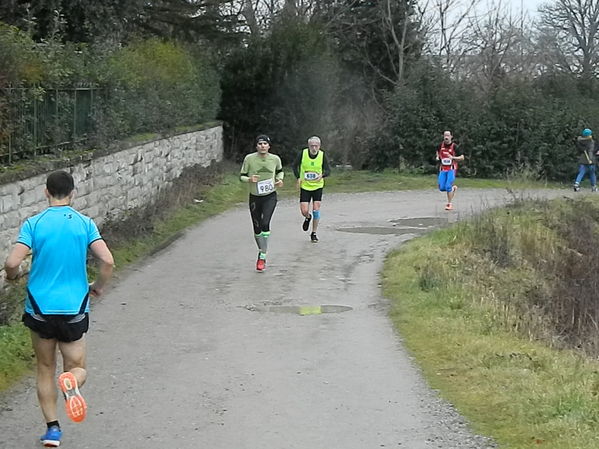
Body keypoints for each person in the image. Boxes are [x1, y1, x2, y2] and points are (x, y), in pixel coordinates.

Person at [4, 170, 114, 448]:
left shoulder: (34, 224)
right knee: (77, 367)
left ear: (45, 192)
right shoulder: (84, 223)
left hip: (40, 307)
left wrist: (13, 277)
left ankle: (52, 430)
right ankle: (71, 382)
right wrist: (99, 285)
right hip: (74, 306)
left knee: (44, 367)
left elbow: (12, 263)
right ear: (73, 193)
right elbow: (108, 261)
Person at [240, 135, 284, 271]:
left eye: (265, 143)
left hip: (270, 196)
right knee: (257, 227)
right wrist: (249, 179)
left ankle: (262, 256)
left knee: (265, 223)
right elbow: (242, 176)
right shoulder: (249, 159)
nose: (263, 146)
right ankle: (261, 249)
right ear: (256, 146)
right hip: (255, 197)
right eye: (260, 144)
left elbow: (280, 172)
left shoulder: (275, 159)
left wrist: (280, 180)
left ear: (269, 146)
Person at [291, 136, 331, 243]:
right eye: (312, 146)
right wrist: (298, 177)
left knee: (316, 210)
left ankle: (314, 233)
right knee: (304, 210)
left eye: (316, 146)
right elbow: (294, 166)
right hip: (305, 186)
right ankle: (308, 217)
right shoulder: (302, 154)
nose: (314, 148)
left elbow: (328, 170)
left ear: (319, 146)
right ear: (308, 146)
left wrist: (322, 175)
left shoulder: (322, 155)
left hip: (317, 186)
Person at [436, 130, 464, 211]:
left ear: (451, 136)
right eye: (445, 135)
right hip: (442, 169)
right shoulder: (439, 145)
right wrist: (437, 157)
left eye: (448, 135)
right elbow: (437, 152)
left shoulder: (455, 146)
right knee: (441, 188)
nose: (446, 137)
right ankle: (453, 189)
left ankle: (449, 204)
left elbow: (462, 157)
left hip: (451, 169)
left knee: (448, 186)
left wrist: (453, 158)